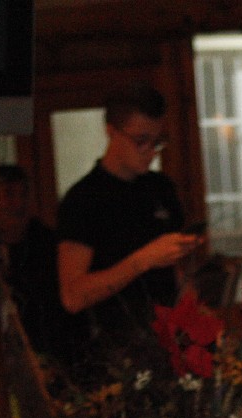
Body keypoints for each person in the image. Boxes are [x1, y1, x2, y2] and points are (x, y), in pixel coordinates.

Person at [56, 84, 204, 344]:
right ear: (111, 131)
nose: (151, 151)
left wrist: (200, 323)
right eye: (141, 140)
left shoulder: (161, 189)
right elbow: (73, 296)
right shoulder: (84, 199)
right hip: (114, 347)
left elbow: (178, 275)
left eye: (158, 141)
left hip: (170, 342)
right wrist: (144, 259)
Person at [0, 163, 81, 365]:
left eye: (24, 195)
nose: (18, 203)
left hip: (54, 356)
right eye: (9, 194)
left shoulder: (49, 246)